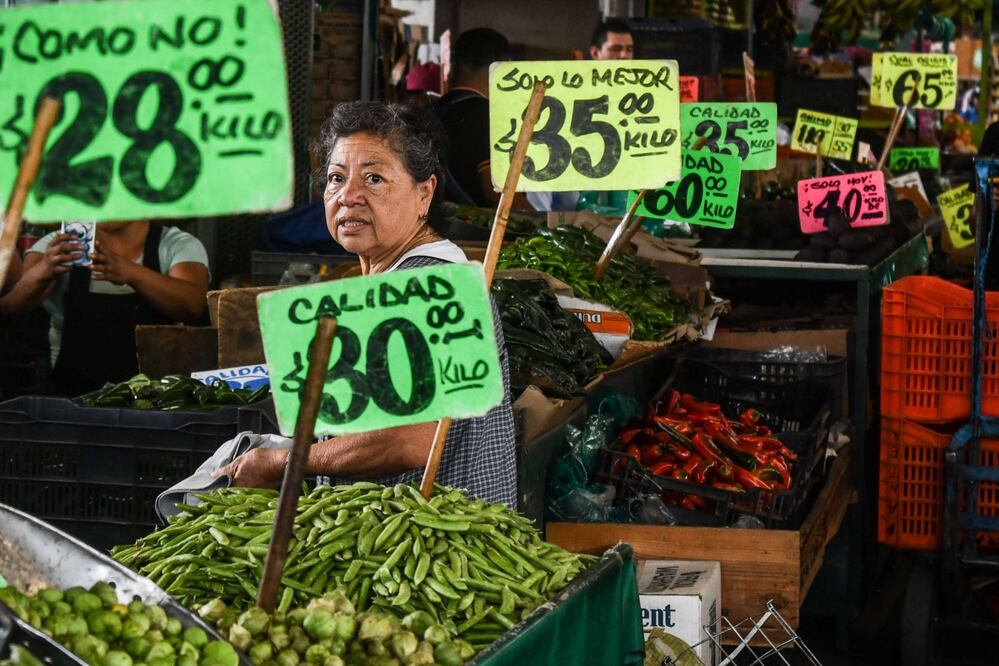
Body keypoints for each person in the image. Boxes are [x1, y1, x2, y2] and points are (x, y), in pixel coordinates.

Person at [214, 102, 518, 508]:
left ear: (424, 192)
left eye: (374, 178)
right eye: (336, 178)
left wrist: (282, 462)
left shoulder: (427, 283)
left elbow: (410, 440)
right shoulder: (394, 279)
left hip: (436, 554)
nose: (348, 196)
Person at [0, 220, 209, 396]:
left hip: (151, 399)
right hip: (70, 400)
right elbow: (10, 302)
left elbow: (192, 305)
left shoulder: (175, 244)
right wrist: (45, 269)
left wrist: (133, 273)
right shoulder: (61, 244)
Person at [435, 27, 519, 208]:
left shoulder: (433, 109)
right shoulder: (486, 114)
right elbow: (496, 192)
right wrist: (540, 222)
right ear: (501, 66)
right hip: (472, 232)